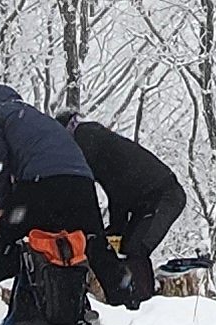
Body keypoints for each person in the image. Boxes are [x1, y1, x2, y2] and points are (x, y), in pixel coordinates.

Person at [0, 79, 106, 325]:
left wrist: (1, 206)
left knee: (10, 233)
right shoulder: (35, 117)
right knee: (84, 243)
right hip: (82, 182)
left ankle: (3, 296)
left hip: (43, 180)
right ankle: (110, 300)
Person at [69, 111, 191, 307]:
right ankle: (133, 300)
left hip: (164, 196)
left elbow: (115, 188)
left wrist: (113, 227)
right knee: (127, 247)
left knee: (136, 248)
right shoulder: (94, 138)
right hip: (148, 200)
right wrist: (115, 229)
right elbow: (116, 186)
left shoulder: (85, 138)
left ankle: (144, 305)